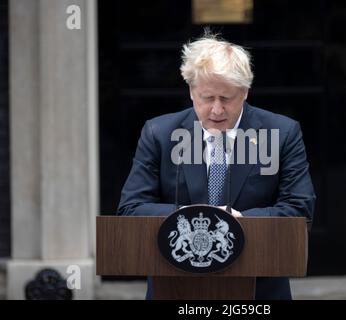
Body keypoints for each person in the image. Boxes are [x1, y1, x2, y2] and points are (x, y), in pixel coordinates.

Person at [117, 32, 316, 300]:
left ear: (245, 92)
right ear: (191, 90)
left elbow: (299, 211)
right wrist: (192, 216)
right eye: (207, 98)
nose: (217, 110)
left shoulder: (282, 133)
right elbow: (131, 210)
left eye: (227, 98)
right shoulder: (159, 133)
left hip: (259, 290)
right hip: (175, 289)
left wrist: (237, 222)